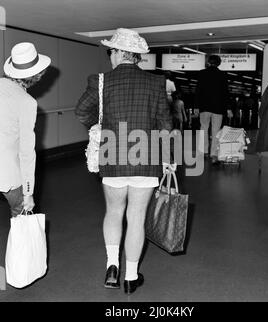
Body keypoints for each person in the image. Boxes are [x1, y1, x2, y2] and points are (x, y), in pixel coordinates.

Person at [75, 28, 173, 295]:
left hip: (113, 156)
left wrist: (100, 126)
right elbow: (165, 125)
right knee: (137, 217)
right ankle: (131, 277)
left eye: (111, 52)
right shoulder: (157, 83)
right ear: (136, 56)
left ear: (119, 53)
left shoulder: (100, 81)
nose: (110, 56)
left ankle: (111, 265)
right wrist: (167, 159)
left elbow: (82, 111)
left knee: (114, 212)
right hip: (147, 157)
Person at [0, 42, 51, 217]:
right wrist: (28, 193)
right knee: (21, 214)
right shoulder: (26, 102)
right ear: (36, 76)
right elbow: (27, 151)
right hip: (6, 173)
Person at [194, 54, 233, 164]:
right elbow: (226, 93)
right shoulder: (223, 75)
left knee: (203, 129)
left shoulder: (202, 73)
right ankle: (214, 154)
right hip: (218, 108)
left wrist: (196, 106)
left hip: (204, 107)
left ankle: (203, 152)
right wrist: (228, 108)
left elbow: (198, 91)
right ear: (219, 63)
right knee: (216, 131)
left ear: (208, 62)